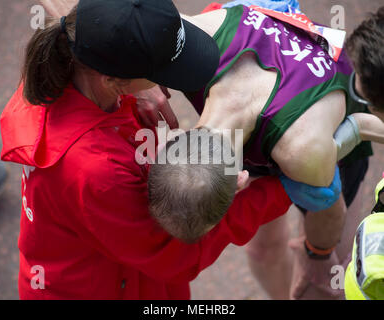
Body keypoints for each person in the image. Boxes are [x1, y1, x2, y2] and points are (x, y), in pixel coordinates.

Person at [0, 0, 339, 300]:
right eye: (162, 70)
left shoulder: (70, 68)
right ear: (112, 80)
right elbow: (174, 253)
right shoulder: (95, 170)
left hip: (129, 269)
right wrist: (279, 190)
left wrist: (135, 91)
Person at [148, 4, 384, 300]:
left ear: (241, 182)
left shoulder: (304, 150)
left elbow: (330, 213)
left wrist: (317, 254)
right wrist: (144, 81)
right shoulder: (186, 47)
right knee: (264, 252)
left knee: (325, 279)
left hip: (317, 132)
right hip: (284, 111)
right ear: (175, 138)